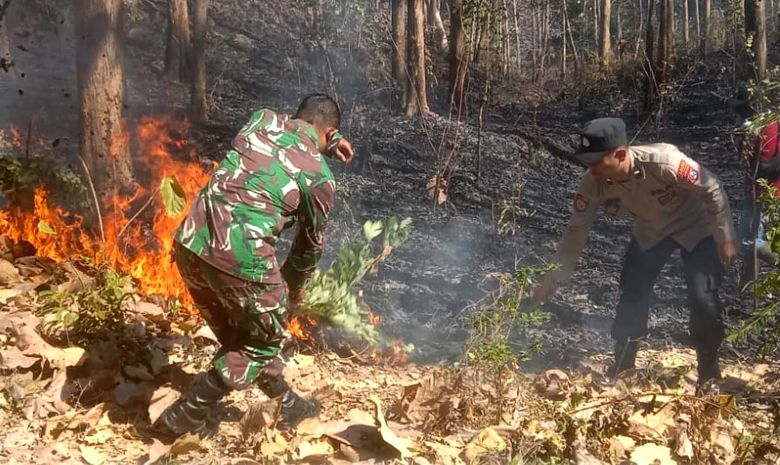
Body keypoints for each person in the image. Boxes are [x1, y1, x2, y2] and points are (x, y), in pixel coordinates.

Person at [154, 94, 354, 438]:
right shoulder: (320, 179)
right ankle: (186, 413)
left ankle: (286, 404)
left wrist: (330, 139)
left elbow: (296, 126)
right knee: (265, 340)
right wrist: (288, 293)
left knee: (244, 336)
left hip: (190, 243)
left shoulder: (261, 119)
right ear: (330, 132)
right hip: (239, 259)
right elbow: (308, 248)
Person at [533, 118, 737, 389]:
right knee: (633, 292)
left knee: (702, 297)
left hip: (696, 228)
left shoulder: (664, 162)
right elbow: (576, 230)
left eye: (596, 161)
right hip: (650, 231)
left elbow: (712, 186)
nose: (591, 168)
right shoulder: (593, 181)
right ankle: (623, 367)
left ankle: (708, 373)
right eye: (588, 162)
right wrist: (553, 277)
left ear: (620, 153)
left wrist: (725, 237)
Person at [740, 119, 780, 282]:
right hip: (759, 193)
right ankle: (748, 286)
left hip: (764, 194)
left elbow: (763, 167)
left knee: (749, 241)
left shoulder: (769, 127)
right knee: (752, 242)